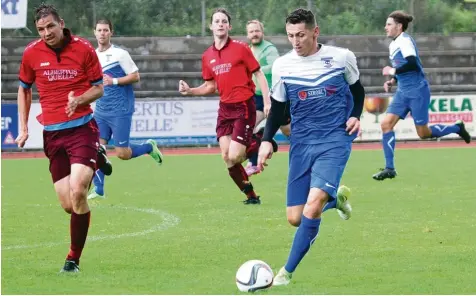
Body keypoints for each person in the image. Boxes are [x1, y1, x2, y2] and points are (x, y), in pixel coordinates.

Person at [257, 8, 365, 285]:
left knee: (312, 205)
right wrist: (267, 140)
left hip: (335, 139)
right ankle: (335, 199)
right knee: (295, 217)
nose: (295, 40)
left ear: (315, 32)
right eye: (291, 35)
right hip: (301, 143)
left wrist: (356, 115)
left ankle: (286, 273)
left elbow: (357, 90)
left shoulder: (341, 58)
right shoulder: (283, 65)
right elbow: (279, 108)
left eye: (301, 35)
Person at [15, 3, 111, 273]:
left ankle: (72, 259)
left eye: (50, 27)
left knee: (79, 191)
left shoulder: (83, 48)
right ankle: (99, 158)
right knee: (69, 206)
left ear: (62, 24)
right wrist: (23, 128)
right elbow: (23, 89)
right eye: (41, 29)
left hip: (82, 129)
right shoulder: (31, 53)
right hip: (53, 135)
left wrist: (79, 99)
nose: (46, 33)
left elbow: (99, 89)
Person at [178, 8, 275, 205]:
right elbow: (210, 86)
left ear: (229, 26)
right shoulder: (207, 56)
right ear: (211, 26)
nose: (220, 24)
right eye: (217, 21)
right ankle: (251, 196)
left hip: (243, 106)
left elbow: (259, 74)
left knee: (235, 154)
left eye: (224, 21)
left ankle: (261, 140)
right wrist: (190, 91)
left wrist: (266, 102)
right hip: (225, 109)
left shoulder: (241, 48)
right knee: (227, 157)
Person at [372, 10, 471, 181]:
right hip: (403, 91)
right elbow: (403, 66)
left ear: (399, 26)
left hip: (417, 91)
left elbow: (412, 64)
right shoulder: (393, 44)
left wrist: (392, 70)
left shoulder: (405, 40)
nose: (385, 27)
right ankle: (390, 168)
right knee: (386, 124)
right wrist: (393, 80)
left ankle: (457, 127)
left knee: (423, 133)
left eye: (389, 24)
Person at [87, 19, 164, 200]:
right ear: (95, 32)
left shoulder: (120, 54)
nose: (102, 33)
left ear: (111, 32)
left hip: (121, 109)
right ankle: (99, 189)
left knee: (122, 154)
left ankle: (148, 147)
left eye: (106, 30)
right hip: (101, 110)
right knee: (95, 148)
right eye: (99, 30)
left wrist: (113, 81)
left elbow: (135, 76)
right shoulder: (92, 56)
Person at [244, 20, 287, 176]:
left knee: (290, 132)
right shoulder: (247, 51)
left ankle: (267, 136)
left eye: (257, 31)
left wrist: (256, 69)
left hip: (274, 96)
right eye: (251, 32)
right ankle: (253, 162)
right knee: (248, 129)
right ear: (247, 35)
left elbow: (276, 67)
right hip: (257, 97)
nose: (254, 34)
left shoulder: (269, 49)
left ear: (262, 32)